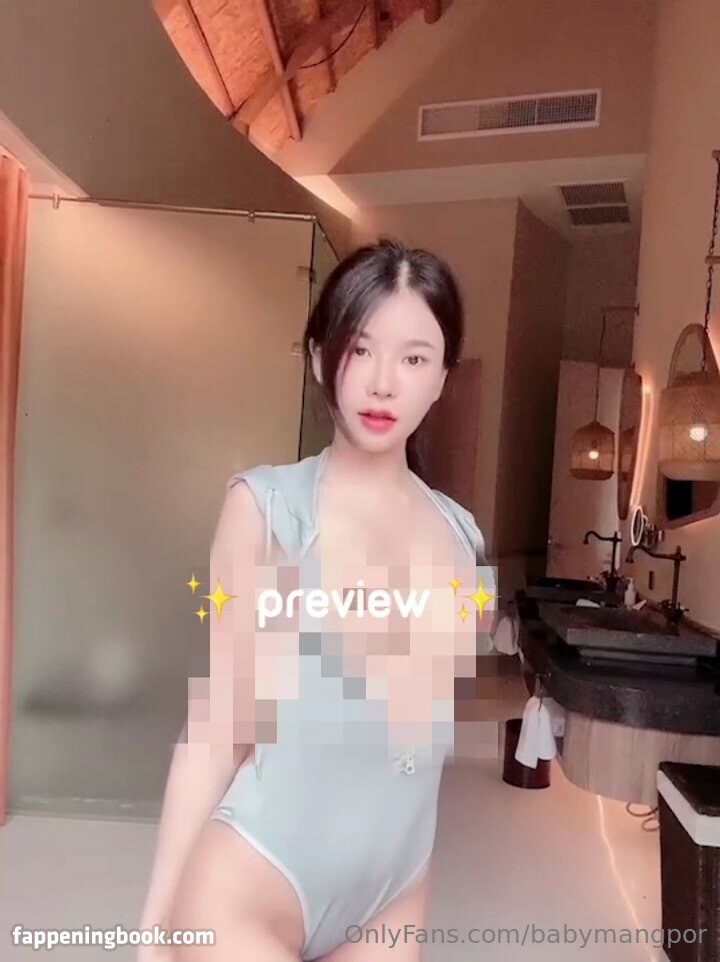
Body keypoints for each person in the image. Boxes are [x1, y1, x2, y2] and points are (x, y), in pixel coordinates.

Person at [139, 238, 502, 961]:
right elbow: (218, 727)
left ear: (442, 379)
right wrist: (154, 927)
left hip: (395, 892)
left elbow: (428, 726)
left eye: (414, 359)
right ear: (318, 357)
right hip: (254, 881)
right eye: (359, 349)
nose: (382, 383)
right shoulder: (270, 510)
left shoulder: (464, 538)